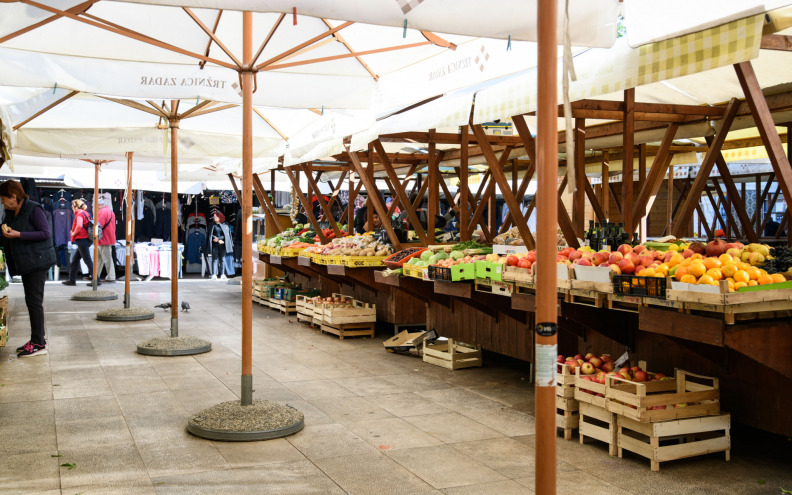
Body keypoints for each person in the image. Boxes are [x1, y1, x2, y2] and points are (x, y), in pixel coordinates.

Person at [0, 180, 57, 357]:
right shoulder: (11, 212)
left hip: (37, 262)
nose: (2, 202)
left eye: (3, 199)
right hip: (27, 262)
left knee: (34, 302)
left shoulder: (34, 209)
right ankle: (36, 339)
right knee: (31, 301)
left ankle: (39, 343)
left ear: (13, 196)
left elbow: (45, 233)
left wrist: (19, 234)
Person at [63, 199, 94, 286]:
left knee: (87, 260)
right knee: (75, 260)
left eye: (72, 207)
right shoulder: (86, 213)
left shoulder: (79, 213)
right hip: (86, 239)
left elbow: (79, 225)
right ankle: (72, 280)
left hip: (82, 239)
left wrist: (73, 232)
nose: (72, 208)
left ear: (76, 207)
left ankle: (96, 279)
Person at [96, 193, 116, 283]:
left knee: (106, 259)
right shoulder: (110, 211)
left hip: (104, 238)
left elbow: (98, 225)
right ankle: (95, 276)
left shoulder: (102, 212)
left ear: (99, 205)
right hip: (108, 238)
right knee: (100, 259)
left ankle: (111, 277)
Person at [206, 211, 232, 280]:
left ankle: (222, 274)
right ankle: (214, 274)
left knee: (222, 259)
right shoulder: (212, 225)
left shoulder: (225, 225)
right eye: (214, 217)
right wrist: (217, 239)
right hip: (215, 244)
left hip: (223, 244)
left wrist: (220, 239)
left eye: (215, 217)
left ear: (220, 217)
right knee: (214, 259)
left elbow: (226, 235)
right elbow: (210, 234)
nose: (214, 218)